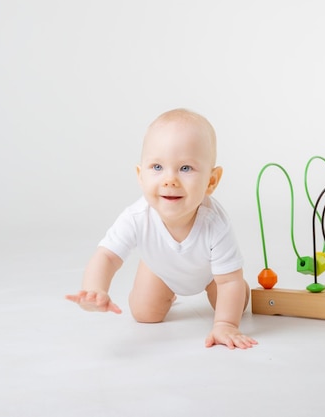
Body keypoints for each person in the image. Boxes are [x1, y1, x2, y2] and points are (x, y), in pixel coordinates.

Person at [66, 108, 257, 350]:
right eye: (157, 167)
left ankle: (240, 295)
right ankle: (154, 267)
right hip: (160, 268)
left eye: (185, 168)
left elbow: (228, 280)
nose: (169, 180)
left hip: (211, 274)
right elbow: (106, 256)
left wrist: (225, 324)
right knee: (145, 314)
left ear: (211, 181)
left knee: (233, 301)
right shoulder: (137, 216)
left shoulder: (214, 224)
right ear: (140, 175)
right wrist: (94, 289)